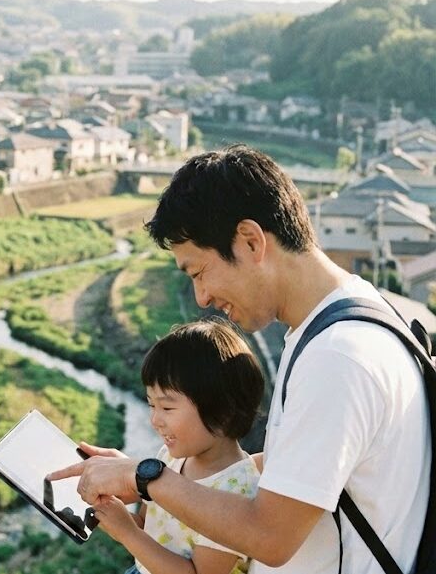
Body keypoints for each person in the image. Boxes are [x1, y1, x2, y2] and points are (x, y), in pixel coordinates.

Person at [49, 144, 430, 574]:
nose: (202, 298)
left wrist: (147, 476)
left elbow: (270, 537)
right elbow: (305, 465)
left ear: (250, 241)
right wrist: (180, 475)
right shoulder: (350, 314)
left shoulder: (337, 358)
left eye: (199, 272)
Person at [95, 318, 264, 574]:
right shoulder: (169, 459)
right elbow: (147, 525)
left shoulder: (237, 490)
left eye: (167, 407)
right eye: (151, 405)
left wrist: (127, 534)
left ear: (222, 410)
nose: (154, 420)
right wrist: (112, 514)